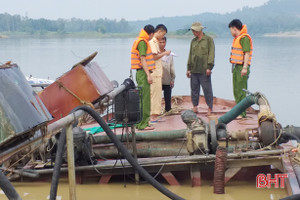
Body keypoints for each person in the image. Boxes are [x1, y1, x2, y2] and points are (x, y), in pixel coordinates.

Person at [186, 21, 215, 115]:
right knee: (194, 89)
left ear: (200, 30)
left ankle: (210, 107)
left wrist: (209, 67)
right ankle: (195, 106)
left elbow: (211, 54)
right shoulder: (193, 41)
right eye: (193, 31)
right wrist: (188, 68)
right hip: (194, 69)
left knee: (207, 89)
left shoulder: (208, 40)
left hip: (204, 69)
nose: (194, 33)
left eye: (195, 30)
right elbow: (190, 55)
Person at [131, 25, 156, 130]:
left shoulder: (140, 40)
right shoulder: (142, 42)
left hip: (142, 73)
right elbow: (143, 59)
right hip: (142, 73)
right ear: (150, 34)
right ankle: (143, 124)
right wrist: (148, 75)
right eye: (152, 35)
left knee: (144, 98)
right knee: (144, 99)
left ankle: (144, 121)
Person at [228, 19, 253, 118]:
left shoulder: (244, 38)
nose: (230, 32)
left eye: (230, 29)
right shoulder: (237, 38)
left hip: (241, 67)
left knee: (241, 91)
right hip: (236, 67)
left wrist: (245, 68)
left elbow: (246, 53)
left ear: (234, 28)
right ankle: (238, 111)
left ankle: (242, 113)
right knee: (236, 90)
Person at [149, 24, 171, 121]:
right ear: (160, 32)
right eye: (163, 34)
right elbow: (154, 57)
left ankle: (153, 116)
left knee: (155, 95)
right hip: (155, 73)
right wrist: (165, 53)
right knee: (155, 96)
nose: (163, 37)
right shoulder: (153, 42)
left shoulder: (155, 42)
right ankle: (153, 116)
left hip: (156, 73)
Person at [159, 37, 175, 112]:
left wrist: (172, 79)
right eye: (160, 42)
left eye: (164, 42)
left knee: (167, 97)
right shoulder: (155, 54)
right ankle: (156, 112)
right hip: (157, 79)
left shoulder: (169, 54)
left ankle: (168, 110)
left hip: (167, 78)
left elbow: (172, 67)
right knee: (156, 97)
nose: (162, 44)